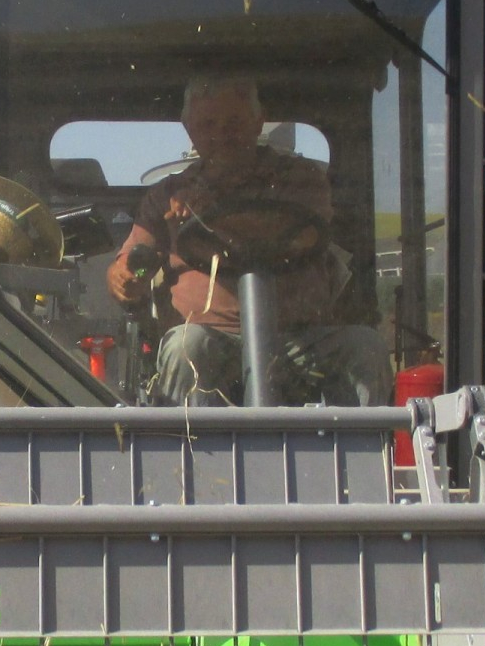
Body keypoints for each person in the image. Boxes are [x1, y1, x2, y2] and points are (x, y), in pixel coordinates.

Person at [105, 76, 391, 407]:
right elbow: (133, 259)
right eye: (208, 124)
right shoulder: (166, 195)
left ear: (258, 122)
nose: (222, 134)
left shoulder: (300, 179)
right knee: (186, 347)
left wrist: (212, 214)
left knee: (366, 347)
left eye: (234, 123)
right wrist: (125, 277)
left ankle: (360, 442)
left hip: (301, 341)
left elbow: (304, 233)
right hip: (209, 339)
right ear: (190, 130)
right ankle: (186, 443)